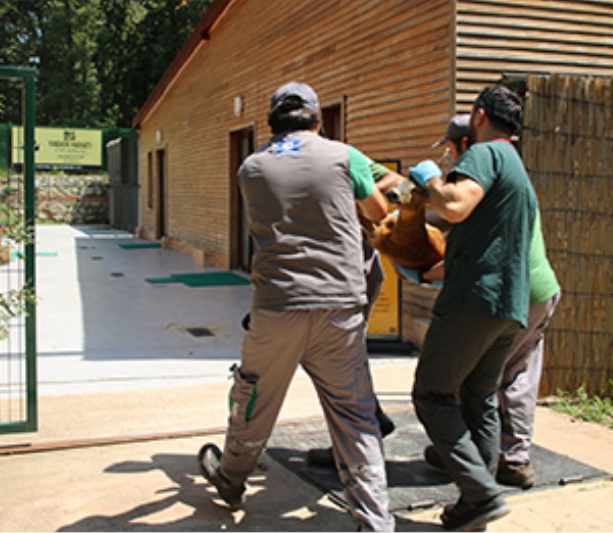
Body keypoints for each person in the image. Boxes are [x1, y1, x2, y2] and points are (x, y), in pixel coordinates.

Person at [198, 81, 395, 532]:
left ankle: (230, 479)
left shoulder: (250, 167)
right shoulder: (344, 156)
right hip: (339, 308)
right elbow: (378, 209)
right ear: (318, 119)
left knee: (254, 398)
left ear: (271, 121)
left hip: (278, 305)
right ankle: (375, 522)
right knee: (354, 415)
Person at [406, 85, 537, 531]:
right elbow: (481, 236)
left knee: (432, 393)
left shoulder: (485, 154)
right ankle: (475, 497)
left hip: (472, 302)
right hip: (508, 308)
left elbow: (457, 206)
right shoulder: (517, 168)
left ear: (479, 117)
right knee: (478, 397)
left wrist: (429, 180)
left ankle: (481, 493)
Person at [418, 114, 563, 490]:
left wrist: (420, 271)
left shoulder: (482, 171)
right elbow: (443, 218)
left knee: (471, 382)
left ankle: (484, 462)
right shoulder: (505, 179)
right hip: (534, 292)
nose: (450, 159)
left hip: (514, 291)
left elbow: (472, 247)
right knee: (500, 381)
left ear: (467, 144)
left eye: (452, 149)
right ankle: (495, 462)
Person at [304, 159, 401, 467]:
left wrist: (358, 191)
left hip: (352, 273)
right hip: (334, 275)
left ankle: (354, 447)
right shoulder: (289, 161)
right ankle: (370, 419)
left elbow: (394, 179)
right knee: (340, 360)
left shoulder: (343, 157)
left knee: (337, 363)